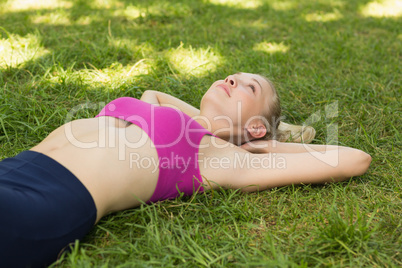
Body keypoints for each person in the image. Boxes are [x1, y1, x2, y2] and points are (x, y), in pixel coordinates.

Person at [0, 72, 371, 267]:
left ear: (257, 126)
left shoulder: (220, 159)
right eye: (231, 76)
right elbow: (154, 97)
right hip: (15, 170)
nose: (231, 80)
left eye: (248, 86)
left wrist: (273, 143)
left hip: (48, 200)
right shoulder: (174, 117)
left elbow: (356, 159)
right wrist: (219, 123)